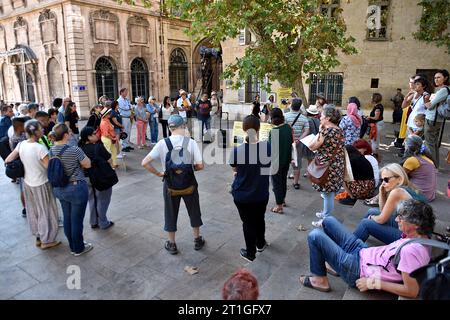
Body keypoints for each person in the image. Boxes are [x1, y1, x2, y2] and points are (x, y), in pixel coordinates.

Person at [300, 199, 435, 299]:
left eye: (402, 217)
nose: (397, 219)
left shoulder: (411, 251)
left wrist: (372, 283)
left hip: (357, 269)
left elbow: (411, 290)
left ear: (416, 225)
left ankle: (320, 280)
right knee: (328, 220)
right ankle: (335, 265)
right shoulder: (422, 237)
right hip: (362, 252)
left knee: (315, 235)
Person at [141, 114, 205, 255]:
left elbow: (144, 162)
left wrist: (159, 174)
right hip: (190, 185)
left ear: (170, 128)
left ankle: (172, 243)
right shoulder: (191, 143)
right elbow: (200, 166)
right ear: (182, 126)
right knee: (194, 211)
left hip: (170, 186)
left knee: (170, 212)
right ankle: (197, 240)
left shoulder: (162, 143)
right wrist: (188, 169)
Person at [4, 120, 60, 249]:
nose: (43, 130)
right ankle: (47, 240)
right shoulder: (40, 148)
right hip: (41, 183)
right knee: (46, 211)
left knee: (34, 211)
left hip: (28, 184)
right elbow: (49, 168)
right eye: (41, 128)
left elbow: (8, 159)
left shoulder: (22, 144)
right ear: (35, 132)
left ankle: (39, 237)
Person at [229, 115, 271, 262]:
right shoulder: (268, 147)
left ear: (243, 129)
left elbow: (235, 169)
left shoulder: (237, 151)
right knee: (260, 218)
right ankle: (260, 243)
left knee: (248, 223)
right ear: (259, 128)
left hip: (242, 195)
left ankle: (250, 252)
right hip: (261, 192)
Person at [353, 163, 427, 245]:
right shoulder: (406, 187)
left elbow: (381, 219)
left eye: (386, 180)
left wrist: (372, 218)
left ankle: (350, 247)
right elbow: (383, 211)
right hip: (414, 230)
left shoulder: (397, 192)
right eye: (382, 180)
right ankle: (355, 237)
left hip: (411, 239)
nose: (383, 183)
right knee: (372, 210)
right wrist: (381, 193)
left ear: (399, 178)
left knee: (365, 223)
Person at [50, 124, 93, 256]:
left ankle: (72, 246)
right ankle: (78, 248)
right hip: (75, 188)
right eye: (68, 132)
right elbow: (88, 164)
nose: (70, 133)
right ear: (65, 135)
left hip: (59, 189)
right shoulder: (74, 150)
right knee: (77, 220)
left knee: (67, 218)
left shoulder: (51, 150)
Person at [309, 105, 345, 228]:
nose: (320, 118)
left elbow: (312, 146)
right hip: (336, 165)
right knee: (328, 193)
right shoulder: (338, 129)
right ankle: (325, 212)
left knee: (328, 193)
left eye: (322, 116)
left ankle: (326, 220)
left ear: (328, 118)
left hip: (327, 167)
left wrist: (319, 130)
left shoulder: (326, 131)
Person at [78, 126, 115, 230]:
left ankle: (93, 222)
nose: (97, 134)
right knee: (103, 199)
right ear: (88, 137)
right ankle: (103, 222)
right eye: (94, 133)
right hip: (100, 177)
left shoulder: (79, 148)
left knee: (92, 199)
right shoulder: (98, 146)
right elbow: (109, 159)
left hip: (86, 178)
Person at [268, 108, 293, 214]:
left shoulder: (273, 131)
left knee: (276, 184)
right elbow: (291, 141)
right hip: (286, 159)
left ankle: (279, 206)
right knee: (283, 181)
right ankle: (282, 201)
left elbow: (270, 149)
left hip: (276, 162)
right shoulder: (288, 128)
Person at [424, 69, 450, 168]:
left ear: (445, 78)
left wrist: (426, 100)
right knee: (433, 144)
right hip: (435, 119)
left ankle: (432, 167)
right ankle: (435, 166)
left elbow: (430, 105)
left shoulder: (443, 90)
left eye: (439, 77)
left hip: (432, 119)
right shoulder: (442, 90)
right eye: (435, 77)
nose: (436, 79)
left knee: (430, 144)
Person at [284, 98, 310, 189]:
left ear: (291, 106)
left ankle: (283, 182)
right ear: (300, 107)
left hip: (286, 143)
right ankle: (296, 183)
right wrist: (299, 139)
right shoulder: (304, 118)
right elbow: (307, 130)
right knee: (297, 163)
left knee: (284, 162)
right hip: (298, 144)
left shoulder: (285, 116)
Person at [402, 136, 437, 202]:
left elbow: (400, 176)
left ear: (408, 147)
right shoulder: (428, 159)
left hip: (419, 195)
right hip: (430, 195)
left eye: (405, 145)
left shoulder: (412, 160)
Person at [302, 105, 320, 170]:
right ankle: (311, 170)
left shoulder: (307, 120)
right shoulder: (318, 120)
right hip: (317, 140)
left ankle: (309, 172)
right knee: (313, 157)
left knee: (309, 158)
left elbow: (306, 131)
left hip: (309, 141)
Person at [117, 88, 133, 152]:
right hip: (123, 118)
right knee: (124, 132)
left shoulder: (126, 99)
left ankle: (127, 145)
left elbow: (131, 106)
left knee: (128, 131)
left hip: (128, 117)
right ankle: (124, 146)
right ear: (121, 92)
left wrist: (130, 107)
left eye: (127, 92)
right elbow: (125, 107)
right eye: (125, 92)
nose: (126, 93)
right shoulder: (119, 100)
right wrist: (129, 107)